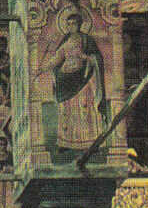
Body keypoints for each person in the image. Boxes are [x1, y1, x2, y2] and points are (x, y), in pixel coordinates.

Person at [37, 11, 107, 152]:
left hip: (82, 79)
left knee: (84, 108)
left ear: (79, 25)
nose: (71, 27)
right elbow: (57, 58)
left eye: (73, 24)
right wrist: (42, 69)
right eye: (68, 24)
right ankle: (66, 143)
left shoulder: (87, 40)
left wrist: (87, 57)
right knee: (67, 111)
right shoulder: (65, 41)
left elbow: (96, 57)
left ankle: (90, 143)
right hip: (65, 79)